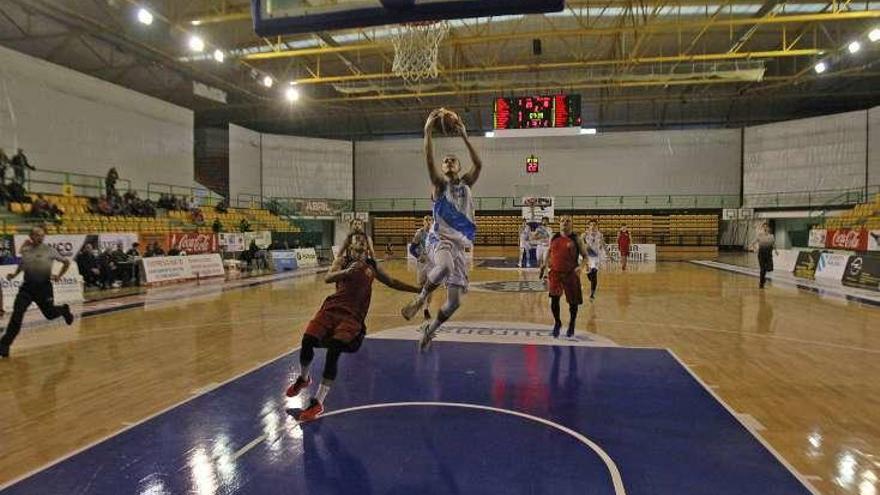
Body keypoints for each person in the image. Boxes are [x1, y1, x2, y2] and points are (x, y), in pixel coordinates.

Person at [285, 232, 420, 421]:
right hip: (330, 309)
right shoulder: (342, 261)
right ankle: (304, 379)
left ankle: (318, 402)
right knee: (307, 340)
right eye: (356, 246)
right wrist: (345, 272)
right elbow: (328, 277)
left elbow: (393, 282)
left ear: (366, 249)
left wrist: (418, 289)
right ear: (351, 248)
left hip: (352, 317)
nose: (359, 249)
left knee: (334, 349)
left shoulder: (372, 266)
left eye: (363, 247)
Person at [400, 108, 483, 352]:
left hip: (458, 246)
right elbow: (428, 159)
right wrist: (427, 131)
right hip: (438, 240)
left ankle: (430, 329)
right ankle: (420, 298)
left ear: (458, 167)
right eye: (444, 160)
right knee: (443, 266)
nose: (447, 162)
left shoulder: (467, 184)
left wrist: (465, 135)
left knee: (454, 302)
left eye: (452, 160)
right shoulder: (438, 185)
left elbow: (478, 163)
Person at [0, 227, 74, 358]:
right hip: (26, 289)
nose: (40, 237)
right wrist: (14, 274)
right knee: (17, 315)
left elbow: (66, 262)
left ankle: (64, 310)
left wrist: (59, 275)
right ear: (31, 236)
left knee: (50, 314)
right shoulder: (26, 250)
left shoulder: (49, 250)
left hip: (44, 289)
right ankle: (4, 345)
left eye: (42, 235)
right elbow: (23, 264)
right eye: (37, 235)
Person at [540, 216, 590, 339]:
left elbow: (585, 256)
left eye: (568, 221)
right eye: (562, 221)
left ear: (572, 224)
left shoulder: (576, 238)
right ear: (559, 223)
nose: (564, 223)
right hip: (556, 273)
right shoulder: (554, 237)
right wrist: (545, 264)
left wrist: (581, 267)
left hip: (570, 273)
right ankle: (557, 322)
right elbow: (548, 252)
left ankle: (572, 323)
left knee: (573, 303)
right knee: (554, 299)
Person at [409, 215, 435, 320]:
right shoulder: (419, 233)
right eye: (426, 220)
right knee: (420, 286)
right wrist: (418, 256)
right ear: (423, 222)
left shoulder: (436, 234)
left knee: (430, 287)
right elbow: (412, 249)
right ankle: (420, 302)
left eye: (430, 220)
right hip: (422, 263)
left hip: (432, 264)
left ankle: (426, 309)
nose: (428, 222)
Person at [581, 220, 609, 302]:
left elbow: (603, 244)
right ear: (588, 226)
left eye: (594, 225)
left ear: (596, 226)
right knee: (590, 275)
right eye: (591, 225)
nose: (593, 227)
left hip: (596, 257)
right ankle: (591, 279)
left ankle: (592, 293)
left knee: (594, 273)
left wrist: (608, 254)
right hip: (587, 257)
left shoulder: (599, 235)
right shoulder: (584, 234)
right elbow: (580, 244)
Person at [751, 223, 778, 289]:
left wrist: (776, 250)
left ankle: (763, 279)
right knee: (762, 269)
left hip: (769, 254)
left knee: (769, 268)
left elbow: (773, 244)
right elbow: (752, 243)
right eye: (764, 227)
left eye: (766, 227)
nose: (765, 228)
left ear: (769, 228)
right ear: (762, 228)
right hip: (761, 254)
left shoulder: (771, 236)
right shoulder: (759, 236)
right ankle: (761, 282)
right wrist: (755, 249)